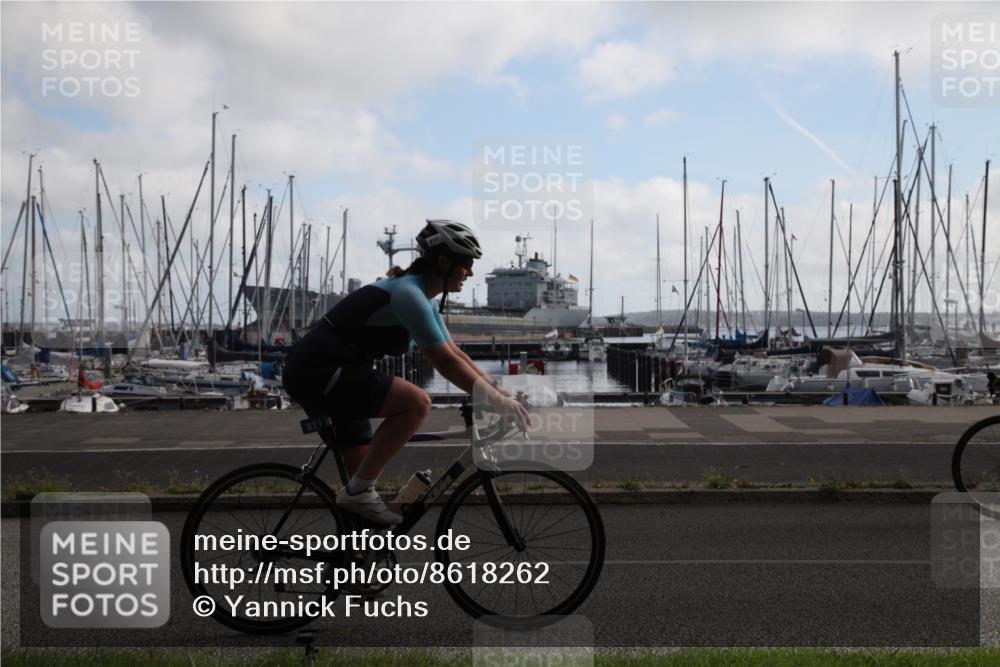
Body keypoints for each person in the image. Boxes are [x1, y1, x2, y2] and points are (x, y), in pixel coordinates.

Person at [282, 219, 530, 524]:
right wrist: (496, 401)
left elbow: (456, 353)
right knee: (416, 403)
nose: (471, 271)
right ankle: (358, 496)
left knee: (360, 504)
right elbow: (444, 362)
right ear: (443, 262)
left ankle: (350, 563)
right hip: (320, 371)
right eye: (466, 263)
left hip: (338, 372)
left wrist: (498, 391)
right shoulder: (408, 295)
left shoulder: (422, 298)